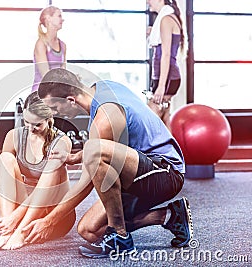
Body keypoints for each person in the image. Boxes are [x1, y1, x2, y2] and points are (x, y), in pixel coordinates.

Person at [22, 68, 193, 259]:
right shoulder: (102, 87)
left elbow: (88, 181)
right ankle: (169, 216)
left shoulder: (104, 117)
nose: (55, 114)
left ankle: (120, 236)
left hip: (166, 172)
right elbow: (114, 145)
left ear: (71, 100)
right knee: (89, 230)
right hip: (138, 169)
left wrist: (49, 221)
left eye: (54, 108)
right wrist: (75, 157)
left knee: (94, 150)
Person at [0, 91, 75, 250]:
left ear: (49, 119)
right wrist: (10, 217)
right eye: (26, 122)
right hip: (25, 209)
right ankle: (7, 230)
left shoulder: (62, 141)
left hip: (54, 212)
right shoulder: (13, 136)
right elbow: (3, 182)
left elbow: (45, 188)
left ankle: (21, 233)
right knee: (5, 159)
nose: (31, 128)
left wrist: (16, 216)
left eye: (37, 124)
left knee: (54, 171)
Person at [147, 0, 184, 130]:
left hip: (167, 79)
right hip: (166, 78)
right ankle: (172, 151)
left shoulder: (166, 20)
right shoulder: (165, 19)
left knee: (150, 118)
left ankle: (159, 150)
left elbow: (166, 54)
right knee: (164, 120)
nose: (147, 1)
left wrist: (161, 86)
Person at [31, 5, 66, 92]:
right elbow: (46, 76)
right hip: (40, 93)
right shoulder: (41, 44)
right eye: (59, 16)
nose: (63, 19)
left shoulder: (63, 45)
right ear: (48, 18)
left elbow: (63, 73)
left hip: (56, 92)